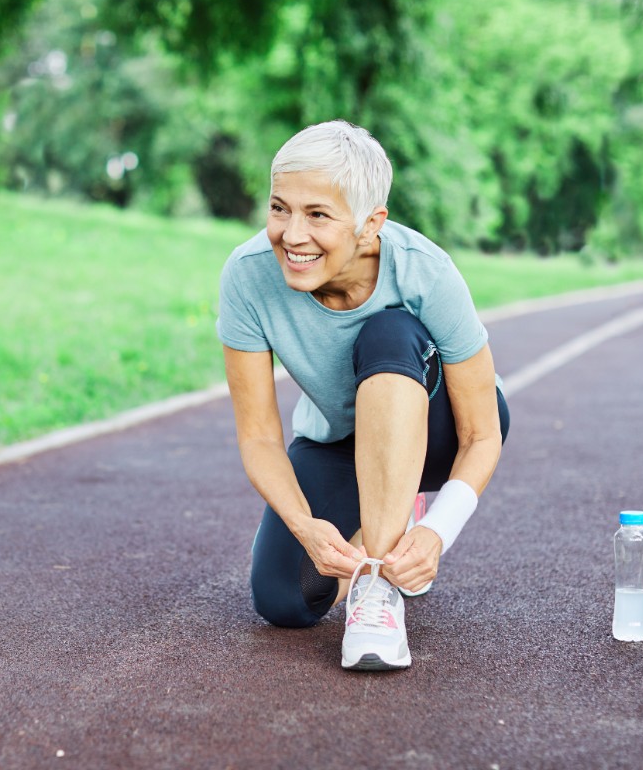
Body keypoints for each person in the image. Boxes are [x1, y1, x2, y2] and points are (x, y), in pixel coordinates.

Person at [216, 120, 509, 671]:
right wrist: (306, 527)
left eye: (318, 215)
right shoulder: (248, 276)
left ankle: (380, 591)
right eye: (280, 208)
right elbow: (257, 435)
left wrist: (435, 532)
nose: (292, 235)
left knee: (390, 333)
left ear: (371, 224)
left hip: (441, 431)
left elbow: (483, 432)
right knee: (284, 600)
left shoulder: (425, 272)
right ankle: (388, 522)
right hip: (339, 440)